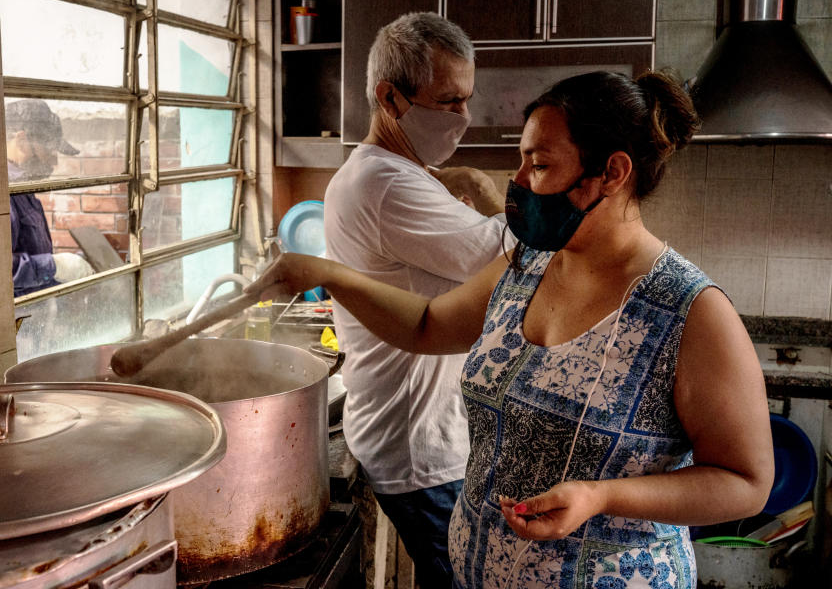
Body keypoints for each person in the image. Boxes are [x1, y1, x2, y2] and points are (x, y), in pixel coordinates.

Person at [247, 71, 774, 589]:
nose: (517, 181)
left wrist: (602, 496)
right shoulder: (527, 266)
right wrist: (328, 274)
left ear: (611, 173)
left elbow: (745, 482)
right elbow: (428, 327)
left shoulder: (690, 311)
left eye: (540, 164)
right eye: (522, 159)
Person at [324, 12, 510, 587]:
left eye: (466, 100)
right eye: (448, 101)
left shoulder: (405, 172)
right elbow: (513, 253)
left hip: (420, 435)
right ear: (390, 98)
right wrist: (490, 194)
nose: (463, 116)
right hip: (417, 447)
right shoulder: (385, 183)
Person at [6, 98, 94, 297]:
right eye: (50, 150)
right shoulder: (0, 193)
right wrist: (55, 266)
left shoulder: (23, 187)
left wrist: (69, 265)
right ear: (21, 141)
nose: (54, 160)